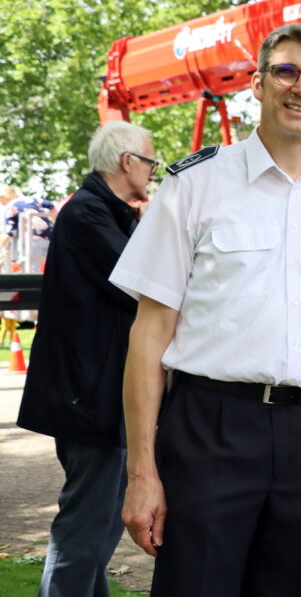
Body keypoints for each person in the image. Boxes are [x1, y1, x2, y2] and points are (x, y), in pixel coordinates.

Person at [109, 23, 301, 597]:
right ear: (257, 83)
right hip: (212, 429)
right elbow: (149, 334)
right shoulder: (194, 184)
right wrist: (142, 472)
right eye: (287, 71)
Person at [17, 121, 155, 597]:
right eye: (151, 162)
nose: (154, 172)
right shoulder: (87, 213)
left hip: (101, 397)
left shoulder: (103, 212)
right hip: (89, 398)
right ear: (127, 162)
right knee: (84, 532)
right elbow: (141, 284)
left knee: (97, 533)